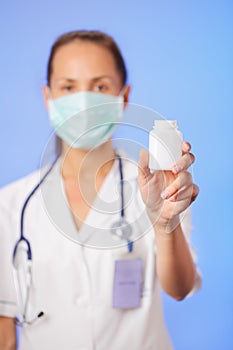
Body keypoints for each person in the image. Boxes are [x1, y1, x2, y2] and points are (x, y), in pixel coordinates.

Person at [0, 30, 201, 350]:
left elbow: (180, 288)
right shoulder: (10, 205)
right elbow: (4, 333)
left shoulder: (160, 187)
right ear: (47, 98)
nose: (83, 101)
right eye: (68, 87)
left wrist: (165, 225)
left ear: (122, 98)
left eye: (99, 86)